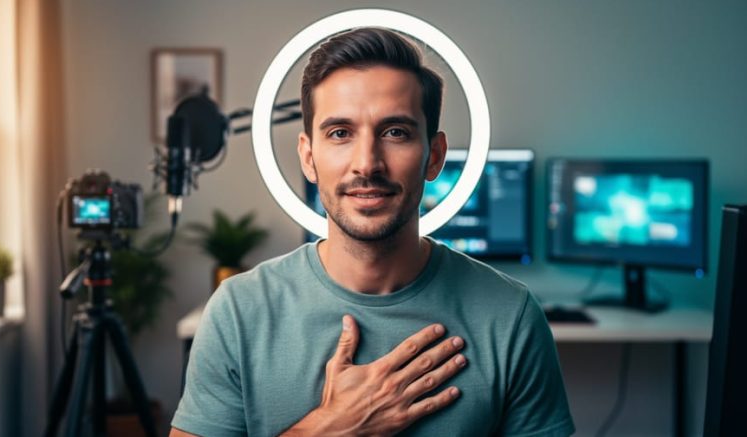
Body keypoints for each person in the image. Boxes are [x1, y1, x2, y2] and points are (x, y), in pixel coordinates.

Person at [171, 27, 574, 436]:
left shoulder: (510, 316)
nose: (367, 163)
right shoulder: (239, 312)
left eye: (395, 132)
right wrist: (330, 429)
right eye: (340, 133)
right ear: (309, 158)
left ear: (434, 157)